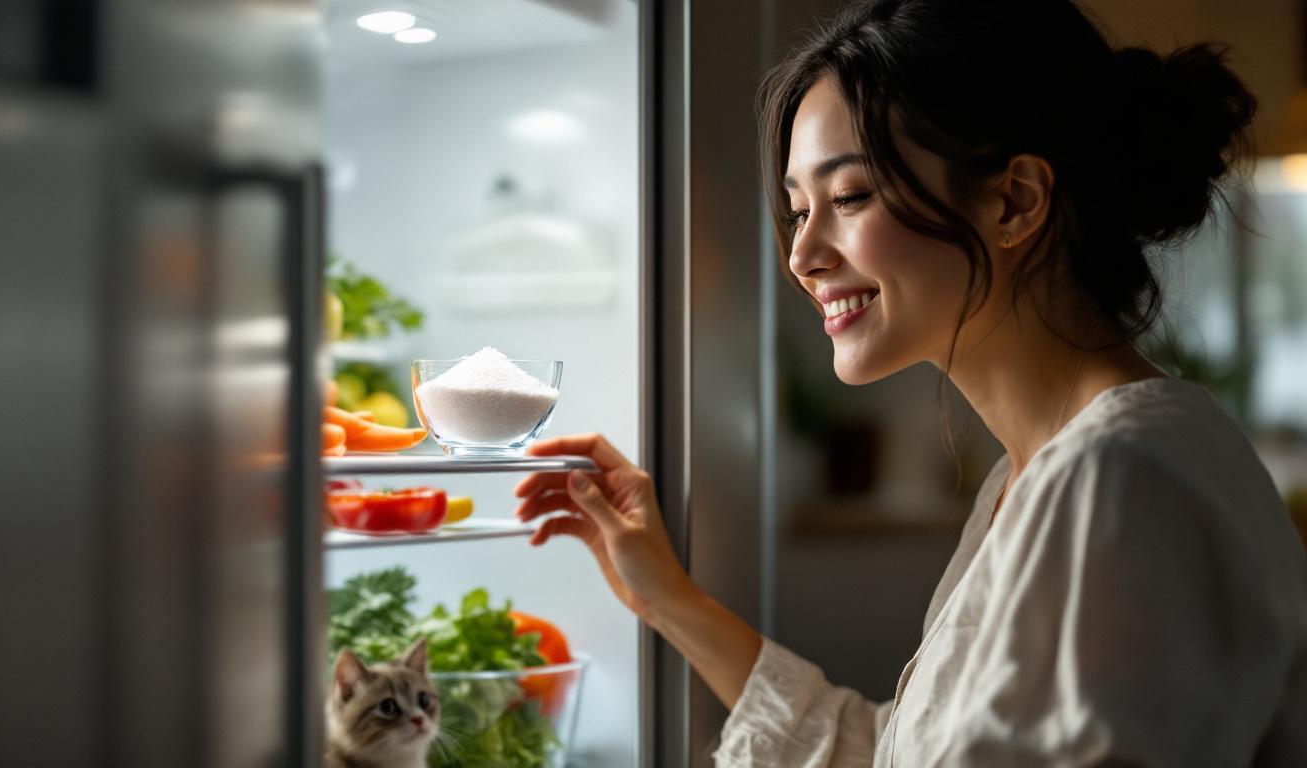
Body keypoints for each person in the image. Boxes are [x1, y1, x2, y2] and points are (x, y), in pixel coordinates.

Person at [514, 0, 1307, 764]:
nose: (803, 254)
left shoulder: (1120, 476)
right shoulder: (1039, 476)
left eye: (849, 196)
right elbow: (902, 752)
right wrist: (666, 601)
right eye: (798, 210)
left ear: (1015, 201)